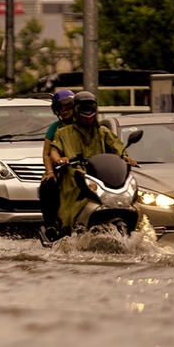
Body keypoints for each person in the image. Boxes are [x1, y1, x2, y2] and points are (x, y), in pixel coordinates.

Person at [49, 91, 137, 234]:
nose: (87, 113)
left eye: (90, 109)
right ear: (76, 110)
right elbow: (54, 150)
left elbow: (118, 148)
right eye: (84, 109)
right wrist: (59, 159)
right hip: (75, 178)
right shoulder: (63, 132)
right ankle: (67, 229)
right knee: (69, 203)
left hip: (101, 176)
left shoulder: (103, 132)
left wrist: (126, 158)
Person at [38, 89, 75, 242]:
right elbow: (48, 153)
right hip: (61, 170)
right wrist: (50, 171)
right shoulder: (55, 129)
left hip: (83, 171)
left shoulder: (86, 127)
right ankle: (50, 225)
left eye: (68, 107)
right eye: (61, 108)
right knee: (47, 185)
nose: (65, 111)